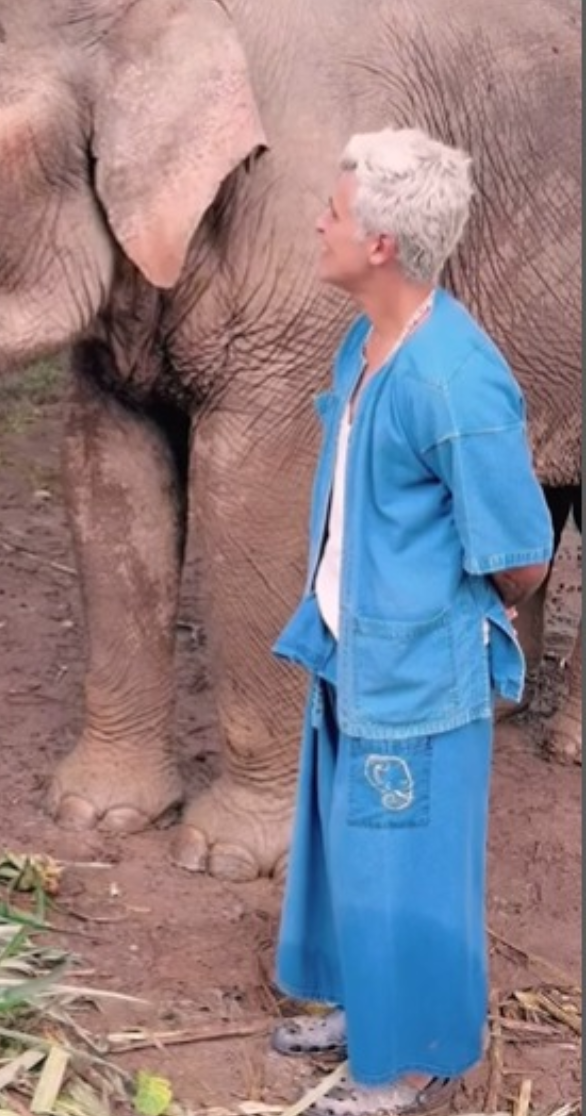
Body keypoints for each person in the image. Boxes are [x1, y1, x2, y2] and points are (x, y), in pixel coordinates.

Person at [269, 128, 553, 1116]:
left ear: (381, 244)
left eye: (335, 211)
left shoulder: (454, 379)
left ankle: (416, 1060)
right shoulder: (367, 342)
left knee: (413, 861)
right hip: (353, 647)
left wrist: (459, 615)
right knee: (356, 843)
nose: (320, 222)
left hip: (421, 669)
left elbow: (521, 549)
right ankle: (370, 1010)